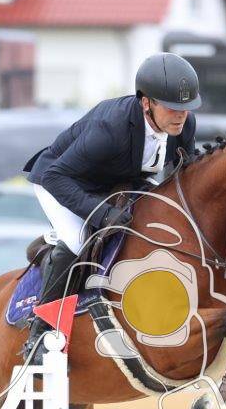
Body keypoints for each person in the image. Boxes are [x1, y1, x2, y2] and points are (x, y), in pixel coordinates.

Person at [20, 52, 200, 355]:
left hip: (114, 181)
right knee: (77, 242)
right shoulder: (110, 129)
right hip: (62, 181)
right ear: (147, 103)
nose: (181, 115)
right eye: (172, 107)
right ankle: (40, 335)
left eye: (186, 107)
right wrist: (103, 215)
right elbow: (55, 177)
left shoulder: (183, 126)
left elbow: (186, 177)